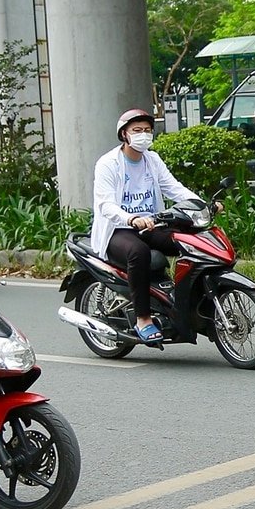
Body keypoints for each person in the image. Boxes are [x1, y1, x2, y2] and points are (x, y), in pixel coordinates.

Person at [89, 109, 197, 343]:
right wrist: (130, 218)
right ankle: (143, 319)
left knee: (190, 242)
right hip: (118, 230)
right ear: (124, 135)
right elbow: (105, 205)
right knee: (139, 253)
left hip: (151, 225)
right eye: (137, 131)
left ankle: (182, 302)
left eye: (147, 131)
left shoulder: (152, 159)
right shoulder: (108, 164)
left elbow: (174, 188)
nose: (143, 135)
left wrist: (200, 204)